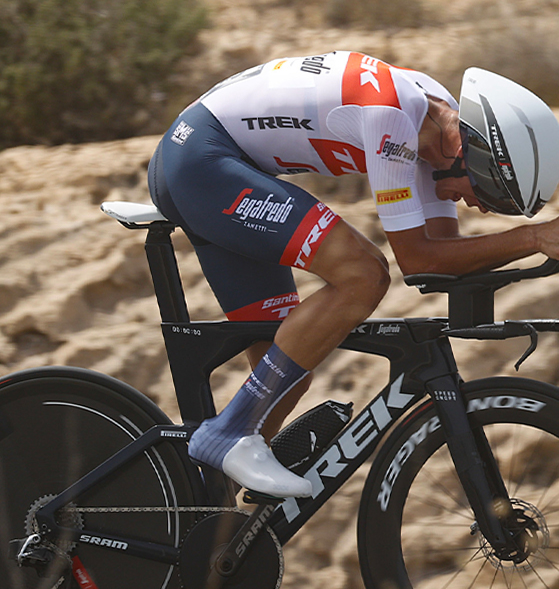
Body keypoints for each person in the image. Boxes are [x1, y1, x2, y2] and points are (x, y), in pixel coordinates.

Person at [148, 52, 559, 499]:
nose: (483, 208)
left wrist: (535, 248)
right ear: (469, 156)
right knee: (363, 274)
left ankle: (204, 514)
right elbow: (418, 260)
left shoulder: (438, 129)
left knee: (286, 367)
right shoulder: (393, 118)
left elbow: (445, 255)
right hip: (202, 160)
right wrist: (533, 237)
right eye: (493, 194)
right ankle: (228, 431)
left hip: (216, 165)